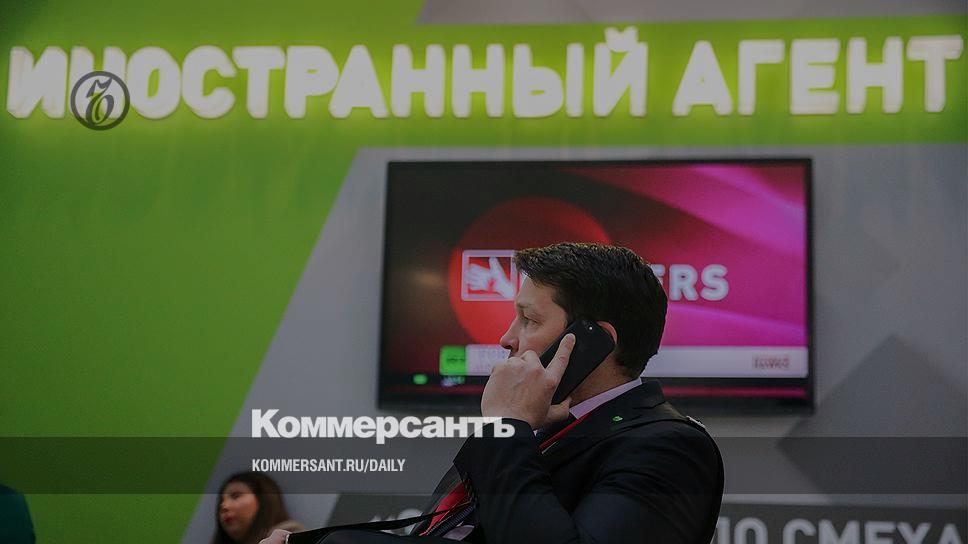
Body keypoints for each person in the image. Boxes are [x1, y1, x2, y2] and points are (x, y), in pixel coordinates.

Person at [264, 243, 723, 544]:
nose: (507, 338)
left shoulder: (669, 447)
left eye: (530, 320)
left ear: (593, 341)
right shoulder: (539, 429)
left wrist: (507, 428)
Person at [213, 471, 305, 544]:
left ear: (263, 500)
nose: (224, 506)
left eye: (236, 496)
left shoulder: (289, 534)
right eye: (221, 501)